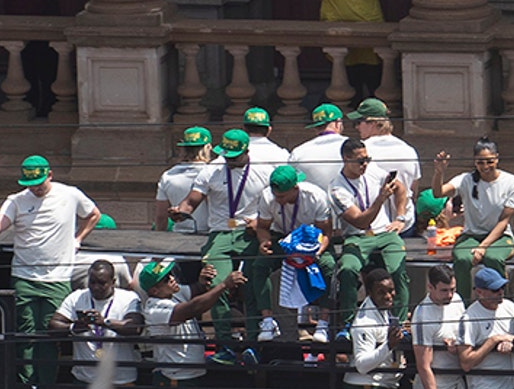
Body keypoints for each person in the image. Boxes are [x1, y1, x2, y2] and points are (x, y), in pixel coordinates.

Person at [0, 155, 101, 389]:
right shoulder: (16, 200)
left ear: (50, 175)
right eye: (30, 184)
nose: (34, 188)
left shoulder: (70, 194)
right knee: (25, 334)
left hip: (57, 277)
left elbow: (93, 214)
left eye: (38, 183)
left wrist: (78, 239)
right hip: (24, 275)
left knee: (50, 334)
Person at [168, 130, 272, 362]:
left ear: (246, 151)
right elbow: (192, 200)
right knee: (216, 283)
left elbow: (275, 201)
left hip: (249, 233)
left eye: (234, 156)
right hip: (220, 233)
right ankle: (224, 345)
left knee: (253, 282)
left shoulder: (264, 171)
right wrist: (180, 212)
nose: (229, 160)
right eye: (227, 156)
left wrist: (260, 222)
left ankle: (254, 344)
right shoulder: (211, 170)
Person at [329, 139, 410, 338]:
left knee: (398, 268)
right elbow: (360, 221)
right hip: (358, 237)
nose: (365, 164)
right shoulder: (337, 188)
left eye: (367, 159)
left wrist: (400, 217)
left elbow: (399, 187)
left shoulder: (373, 171)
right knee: (348, 269)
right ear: (346, 159)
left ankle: (399, 322)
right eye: (360, 161)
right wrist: (381, 199)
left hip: (385, 232)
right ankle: (347, 324)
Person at [252, 164, 338, 343]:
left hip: (311, 240)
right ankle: (267, 320)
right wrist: (264, 242)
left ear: (295, 188)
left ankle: (323, 323)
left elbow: (327, 232)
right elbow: (262, 227)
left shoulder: (316, 196)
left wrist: (318, 251)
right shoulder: (267, 197)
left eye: (282, 196)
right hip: (282, 238)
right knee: (259, 266)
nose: (278, 199)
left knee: (329, 266)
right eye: (276, 195)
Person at [430, 139, 514, 301]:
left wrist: (483, 247)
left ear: (497, 159)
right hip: (471, 235)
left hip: (500, 236)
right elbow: (438, 193)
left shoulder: (513, 182)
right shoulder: (466, 179)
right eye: (480, 162)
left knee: (493, 258)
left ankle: (499, 301)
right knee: (462, 258)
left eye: (490, 161)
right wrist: (439, 172)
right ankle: (462, 303)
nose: (485, 166)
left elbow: (504, 220)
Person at [47, 258, 144, 389]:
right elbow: (53, 325)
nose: (96, 287)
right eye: (92, 282)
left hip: (120, 381)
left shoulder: (128, 298)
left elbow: (135, 327)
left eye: (102, 283)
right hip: (85, 381)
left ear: (113, 281)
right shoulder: (77, 297)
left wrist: (105, 322)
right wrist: (74, 327)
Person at [345, 266, 409, 389]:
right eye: (381, 292)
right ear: (370, 293)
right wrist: (389, 346)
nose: (388, 296)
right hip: (368, 388)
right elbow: (361, 365)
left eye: (391, 290)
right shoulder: (364, 322)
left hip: (385, 387)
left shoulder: (383, 310)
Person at [410, 264, 465, 389]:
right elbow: (423, 366)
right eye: (444, 291)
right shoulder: (422, 316)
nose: (449, 295)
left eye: (452, 290)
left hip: (459, 385)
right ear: (430, 287)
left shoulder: (457, 300)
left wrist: (458, 344)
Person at [350, 99, 420, 233]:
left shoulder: (362, 150)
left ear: (374, 124)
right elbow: (413, 188)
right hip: (404, 222)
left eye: (359, 122)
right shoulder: (408, 149)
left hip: (374, 226)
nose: (357, 127)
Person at [157, 127, 213, 234]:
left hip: (178, 234)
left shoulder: (168, 175)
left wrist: (159, 237)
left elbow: (161, 216)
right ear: (208, 148)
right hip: (207, 235)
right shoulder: (212, 174)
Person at [292, 103, 352, 194]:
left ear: (315, 128)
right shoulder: (356, 147)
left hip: (313, 206)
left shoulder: (298, 152)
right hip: (350, 206)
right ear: (338, 124)